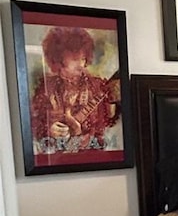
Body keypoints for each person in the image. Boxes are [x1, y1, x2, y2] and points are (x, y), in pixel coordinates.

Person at [30, 26, 121, 154]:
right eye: (74, 59)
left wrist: (112, 103)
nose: (82, 65)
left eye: (83, 59)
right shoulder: (45, 87)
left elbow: (108, 123)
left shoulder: (98, 85)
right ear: (58, 59)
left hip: (93, 159)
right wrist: (49, 129)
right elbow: (34, 124)